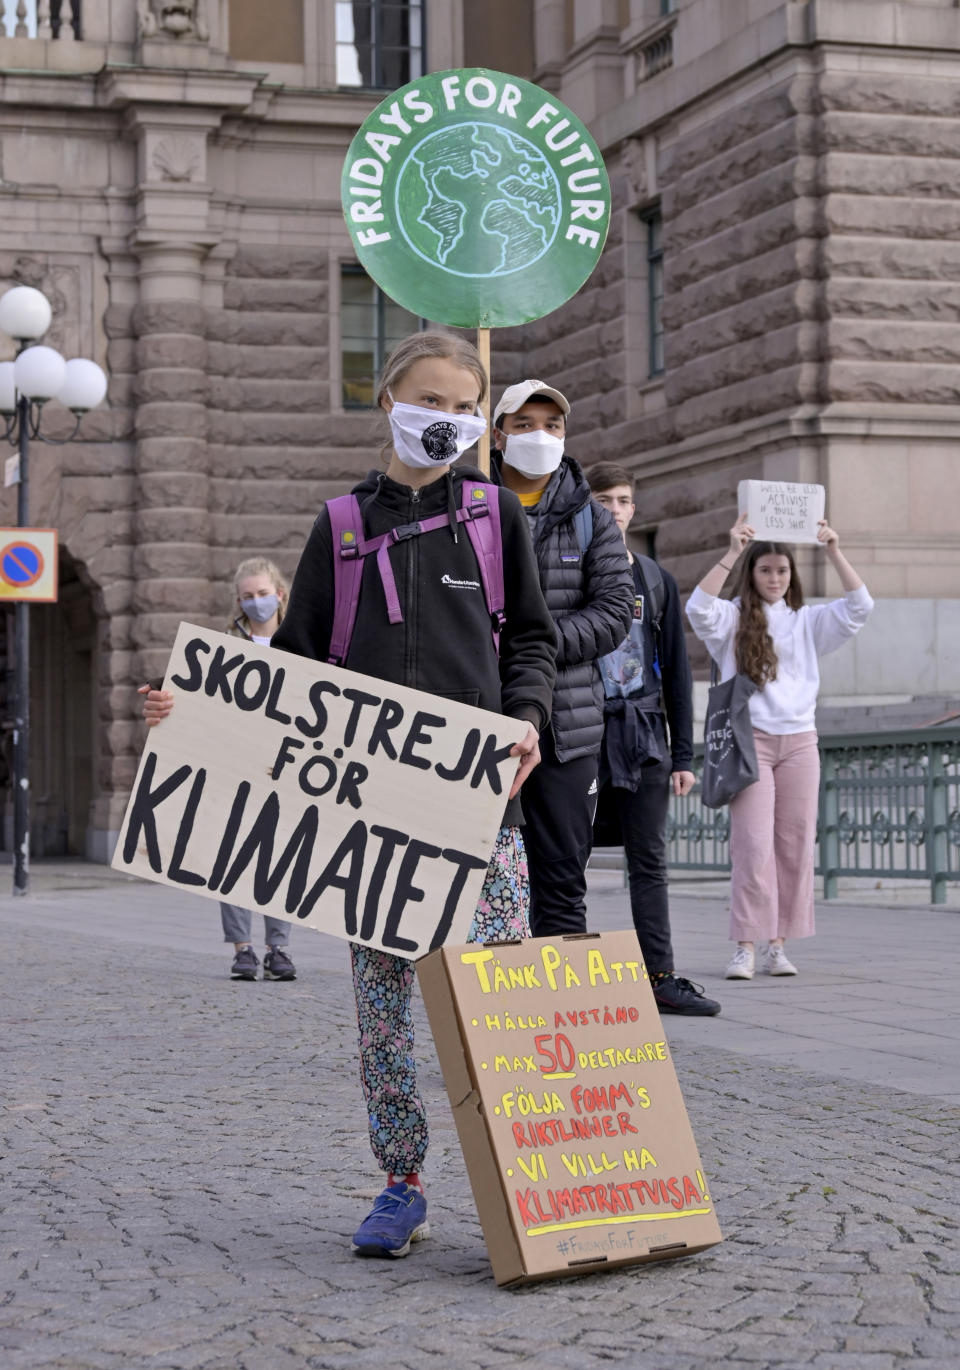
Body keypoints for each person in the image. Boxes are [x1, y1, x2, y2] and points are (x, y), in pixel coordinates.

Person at [144, 333, 556, 1259]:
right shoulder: (338, 527)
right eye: (431, 400)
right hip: (372, 818)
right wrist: (194, 709)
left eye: (462, 407)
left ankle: (526, 1178)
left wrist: (527, 714)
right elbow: (288, 669)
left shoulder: (494, 517)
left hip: (482, 805)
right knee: (384, 1009)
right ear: (390, 402)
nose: (446, 419)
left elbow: (532, 638)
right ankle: (401, 1184)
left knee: (498, 1002)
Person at [686, 514, 873, 980]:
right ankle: (744, 947)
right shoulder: (731, 619)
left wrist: (832, 549)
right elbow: (698, 607)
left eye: (782, 571)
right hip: (751, 745)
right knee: (752, 847)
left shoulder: (807, 621)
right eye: (765, 570)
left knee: (793, 846)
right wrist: (732, 550)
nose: (774, 578)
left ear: (792, 576)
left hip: (800, 743)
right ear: (752, 574)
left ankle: (777, 945)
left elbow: (860, 606)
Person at [491, 381, 634, 937]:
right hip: (491, 719)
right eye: (524, 424)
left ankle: (557, 1022)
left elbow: (616, 613)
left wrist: (533, 645)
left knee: (561, 886)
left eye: (552, 425)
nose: (540, 435)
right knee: (489, 890)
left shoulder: (591, 518)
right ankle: (490, 1017)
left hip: (568, 733)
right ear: (498, 436)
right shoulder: (471, 506)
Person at [585, 462, 720, 1016]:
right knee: (565, 860)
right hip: (583, 732)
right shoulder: (569, 571)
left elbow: (677, 673)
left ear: (633, 509)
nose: (614, 509)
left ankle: (659, 975)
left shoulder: (654, 578)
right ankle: (559, 973)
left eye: (622, 500)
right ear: (586, 507)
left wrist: (682, 754)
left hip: (643, 736)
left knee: (649, 860)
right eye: (603, 500)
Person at [139, 557, 298, 984]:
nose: (256, 602)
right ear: (238, 601)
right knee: (234, 855)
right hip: (234, 761)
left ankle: (278, 948)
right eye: (247, 596)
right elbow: (196, 685)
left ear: (279, 594)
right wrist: (163, 687)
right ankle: (243, 949)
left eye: (263, 594)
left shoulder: (300, 640)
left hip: (287, 765)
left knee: (280, 855)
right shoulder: (224, 644)